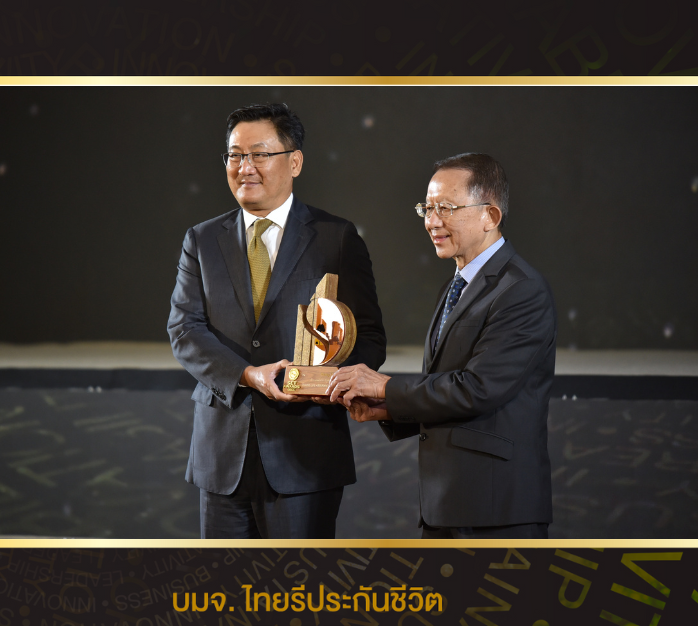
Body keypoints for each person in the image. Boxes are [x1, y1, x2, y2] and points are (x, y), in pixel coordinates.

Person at [167, 103, 386, 539]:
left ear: (295, 161)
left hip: (306, 453)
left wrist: (325, 381)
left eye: (259, 154)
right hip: (221, 457)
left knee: (298, 582)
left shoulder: (336, 238)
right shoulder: (202, 239)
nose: (244, 167)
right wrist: (248, 375)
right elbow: (185, 330)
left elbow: (369, 337)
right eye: (235, 155)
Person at [329, 153, 556, 539]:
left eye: (446, 208)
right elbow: (445, 384)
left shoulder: (521, 290)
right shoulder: (456, 287)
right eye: (427, 208)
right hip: (447, 505)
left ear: (490, 216)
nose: (432, 221)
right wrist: (388, 409)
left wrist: (384, 387)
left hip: (496, 510)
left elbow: (477, 388)